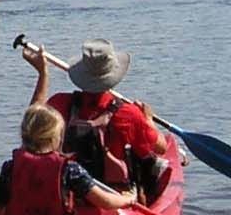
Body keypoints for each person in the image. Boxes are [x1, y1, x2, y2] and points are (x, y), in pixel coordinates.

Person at [23, 39, 168, 197]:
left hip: (66, 195)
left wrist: (43, 74)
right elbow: (161, 148)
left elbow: (32, 124)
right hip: (112, 197)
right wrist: (148, 119)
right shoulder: (129, 114)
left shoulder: (60, 103)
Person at [0, 104, 132, 215]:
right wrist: (129, 200)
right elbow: (106, 201)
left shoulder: (10, 167)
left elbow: (0, 208)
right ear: (55, 139)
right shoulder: (70, 169)